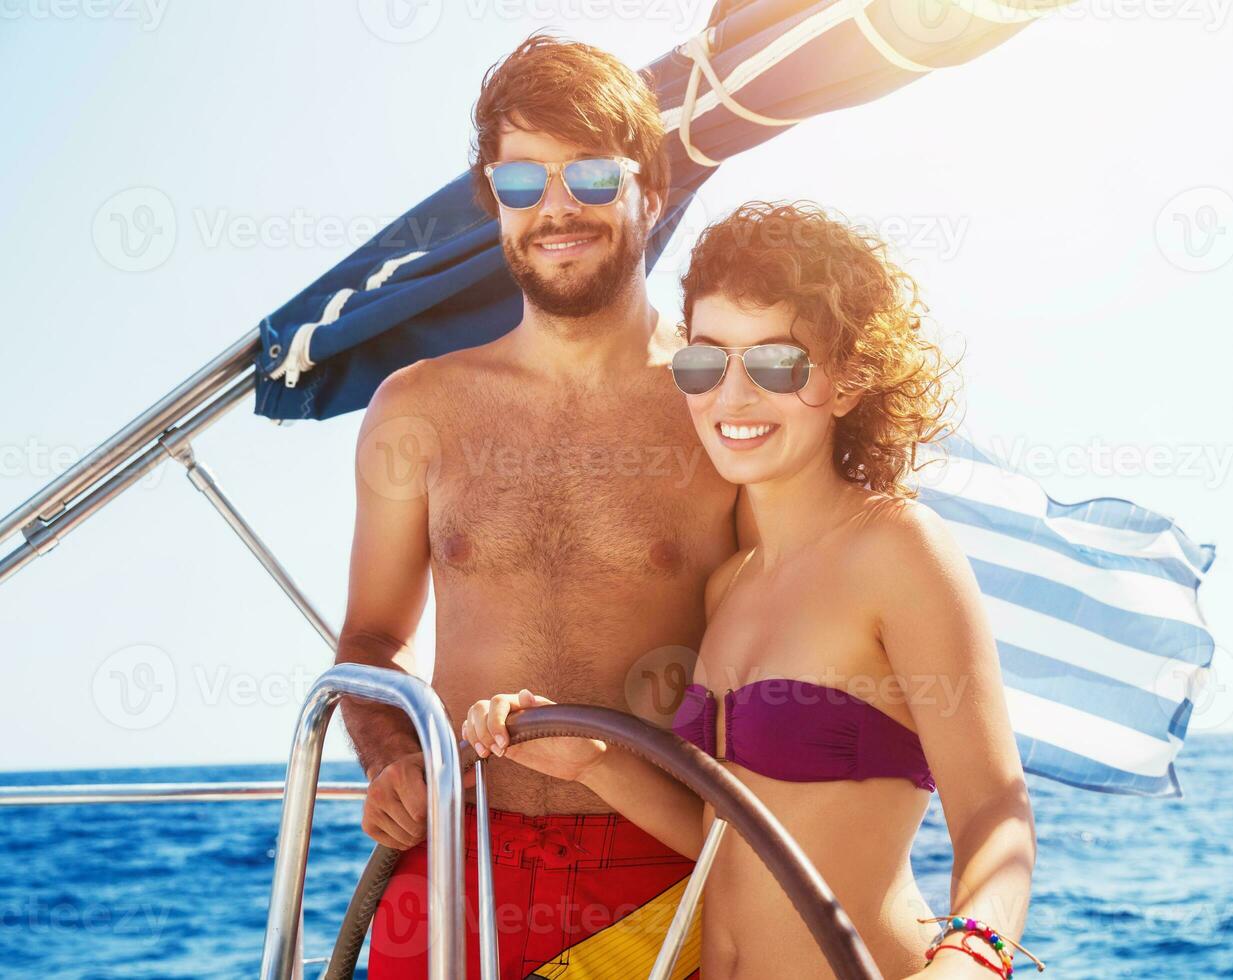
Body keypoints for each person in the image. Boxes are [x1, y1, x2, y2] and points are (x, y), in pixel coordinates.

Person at [465, 202, 1039, 979]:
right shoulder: (729, 586)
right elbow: (728, 838)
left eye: (776, 365)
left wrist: (971, 958)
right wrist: (593, 763)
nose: (731, 398)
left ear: (847, 382)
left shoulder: (898, 550)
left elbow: (994, 814)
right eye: (706, 363)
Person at [336, 34, 748, 979]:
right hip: (451, 858)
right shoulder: (419, 407)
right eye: (523, 183)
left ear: (649, 185)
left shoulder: (723, 404)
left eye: (590, 177)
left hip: (663, 863)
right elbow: (369, 637)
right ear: (493, 200)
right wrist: (391, 759)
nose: (556, 209)